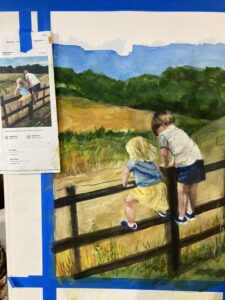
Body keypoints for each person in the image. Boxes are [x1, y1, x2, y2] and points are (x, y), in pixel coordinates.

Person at [151, 110, 206, 225]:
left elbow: (164, 154)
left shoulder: (162, 135)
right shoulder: (179, 131)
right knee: (193, 190)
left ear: (161, 125)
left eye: (156, 129)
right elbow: (181, 149)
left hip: (186, 165)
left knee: (183, 191)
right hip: (198, 160)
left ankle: (181, 217)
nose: (157, 133)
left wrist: (166, 166)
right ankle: (191, 212)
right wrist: (173, 163)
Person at [121, 136, 169, 230]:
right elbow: (158, 170)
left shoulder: (132, 162)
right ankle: (163, 211)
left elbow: (125, 173)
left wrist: (125, 184)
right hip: (159, 186)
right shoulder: (151, 158)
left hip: (145, 189)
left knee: (127, 201)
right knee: (157, 199)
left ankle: (131, 224)